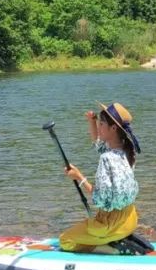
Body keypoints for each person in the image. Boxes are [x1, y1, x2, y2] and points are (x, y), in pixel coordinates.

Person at [59, 102, 141, 252]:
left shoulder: (107, 159)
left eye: (101, 124)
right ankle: (114, 240)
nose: (99, 127)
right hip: (129, 219)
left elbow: (100, 199)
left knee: (65, 240)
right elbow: (99, 145)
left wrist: (79, 177)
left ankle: (109, 248)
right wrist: (92, 121)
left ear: (114, 128)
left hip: (110, 224)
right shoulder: (128, 152)